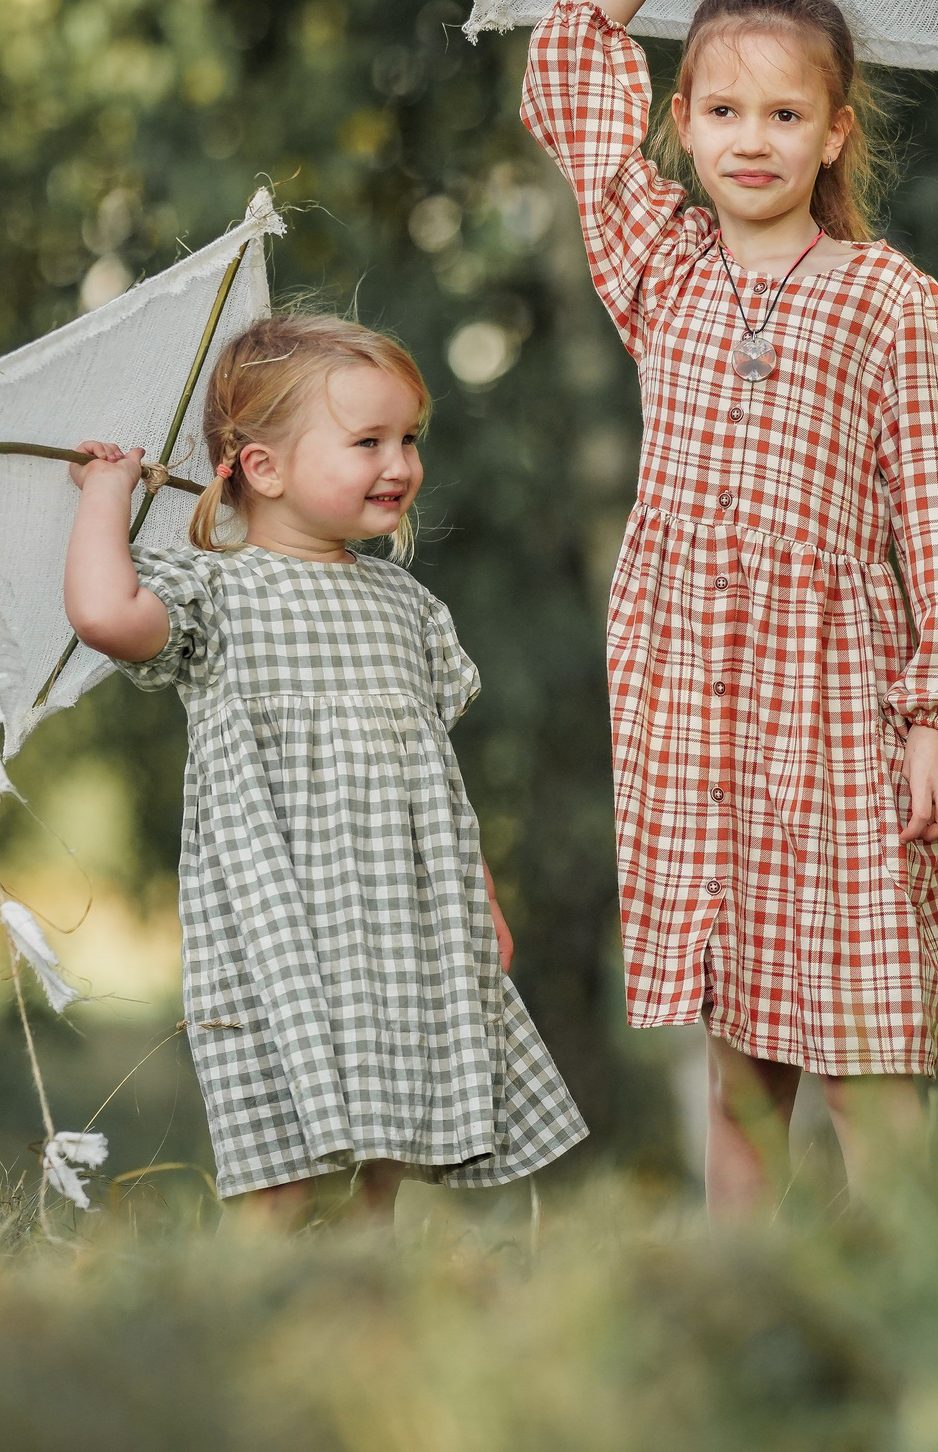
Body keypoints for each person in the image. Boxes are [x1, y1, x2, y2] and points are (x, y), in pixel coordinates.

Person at [521, 0, 938, 1215]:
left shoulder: (891, 300)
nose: (753, 134)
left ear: (833, 133)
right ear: (682, 122)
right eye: (725, 106)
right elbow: (569, 68)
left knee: (866, 1012)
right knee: (738, 1027)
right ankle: (740, 1291)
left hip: (836, 690)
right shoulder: (660, 263)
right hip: (693, 689)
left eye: (785, 112)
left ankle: (908, 1275)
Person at [62, 312, 586, 1223]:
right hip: (278, 913)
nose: (400, 464)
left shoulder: (405, 604)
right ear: (262, 467)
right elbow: (107, 614)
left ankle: (364, 1296)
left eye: (409, 438)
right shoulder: (216, 590)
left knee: (389, 1128)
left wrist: (483, 895)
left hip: (398, 916)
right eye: (368, 441)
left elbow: (439, 778)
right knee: (281, 1131)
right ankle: (273, 1286)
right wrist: (105, 493)